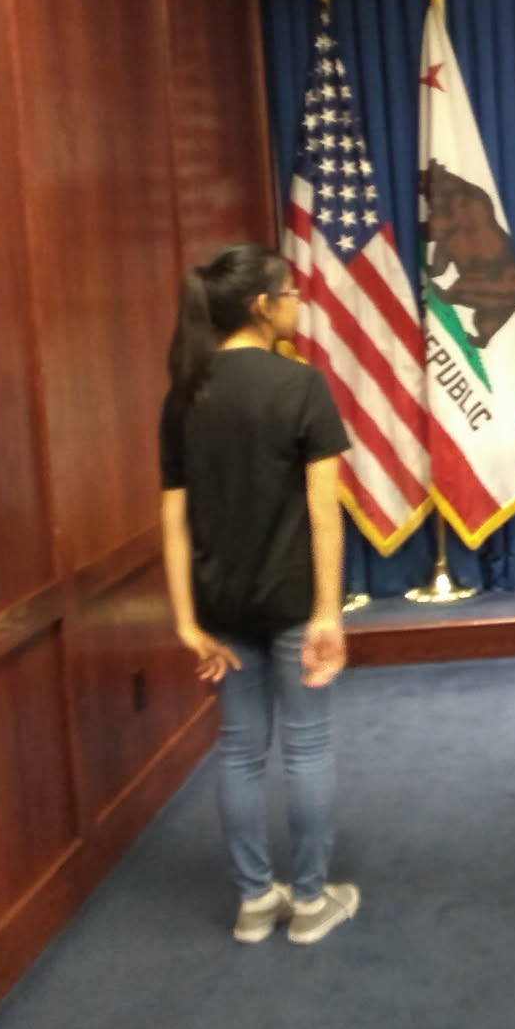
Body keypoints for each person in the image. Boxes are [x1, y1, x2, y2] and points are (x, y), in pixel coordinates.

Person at [158, 244, 359, 946]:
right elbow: (325, 512)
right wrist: (329, 612)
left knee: (240, 752)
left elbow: (174, 520)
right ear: (261, 306)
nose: (298, 303)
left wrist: (186, 621)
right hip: (294, 601)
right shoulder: (300, 385)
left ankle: (252, 901)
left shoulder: (184, 396)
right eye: (290, 293)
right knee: (307, 749)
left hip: (220, 606)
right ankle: (309, 902)